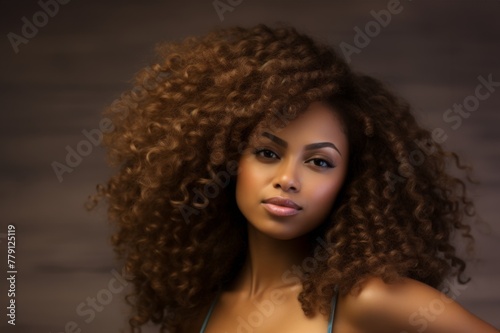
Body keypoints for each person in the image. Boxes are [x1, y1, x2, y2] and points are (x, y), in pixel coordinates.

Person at [88, 24, 499, 332]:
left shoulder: (372, 300)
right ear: (227, 162)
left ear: (350, 182)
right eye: (268, 153)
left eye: (319, 162)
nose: (288, 179)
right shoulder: (198, 311)